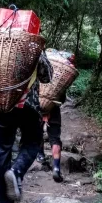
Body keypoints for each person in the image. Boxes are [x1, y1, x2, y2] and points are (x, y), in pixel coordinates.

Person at [0, 51, 53, 203]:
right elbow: (46, 76)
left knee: (0, 150)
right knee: (33, 141)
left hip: (1, 102)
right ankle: (16, 171)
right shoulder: (32, 43)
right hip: (27, 104)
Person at [36, 49, 75, 183]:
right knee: (55, 139)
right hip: (54, 110)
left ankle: (40, 156)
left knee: (37, 133)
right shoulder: (60, 79)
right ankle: (57, 169)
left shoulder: (41, 70)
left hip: (37, 107)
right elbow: (62, 99)